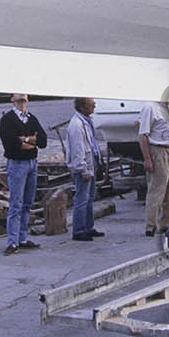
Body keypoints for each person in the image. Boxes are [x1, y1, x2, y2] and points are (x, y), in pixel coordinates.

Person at [0, 94, 48, 256]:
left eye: (24, 100)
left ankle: (22, 238)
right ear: (12, 100)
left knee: (28, 203)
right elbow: (11, 144)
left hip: (32, 163)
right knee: (16, 204)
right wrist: (31, 140)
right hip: (17, 164)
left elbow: (43, 141)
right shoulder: (7, 120)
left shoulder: (31, 118)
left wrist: (26, 140)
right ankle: (12, 242)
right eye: (19, 100)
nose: (22, 103)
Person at [137, 99, 169, 236]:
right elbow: (143, 135)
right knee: (158, 188)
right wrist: (147, 158)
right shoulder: (150, 107)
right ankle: (151, 225)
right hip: (158, 149)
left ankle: (167, 223)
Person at [62, 97, 105, 241]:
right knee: (82, 198)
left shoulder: (86, 122)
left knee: (90, 198)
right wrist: (82, 169)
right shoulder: (76, 125)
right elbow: (77, 149)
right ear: (82, 106)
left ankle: (88, 226)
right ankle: (79, 230)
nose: (94, 106)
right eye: (91, 104)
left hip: (91, 163)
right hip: (84, 166)